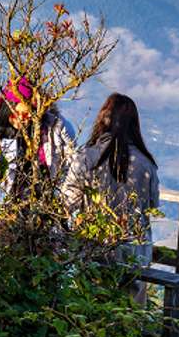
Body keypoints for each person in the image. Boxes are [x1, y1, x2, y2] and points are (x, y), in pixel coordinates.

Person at [64, 93, 160, 303]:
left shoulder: (85, 158)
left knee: (91, 306)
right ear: (134, 125)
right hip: (135, 253)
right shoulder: (146, 164)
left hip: (94, 247)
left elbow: (68, 201)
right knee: (131, 313)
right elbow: (153, 206)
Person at [0, 72, 77, 202]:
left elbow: (73, 163)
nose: (23, 120)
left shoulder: (56, 127)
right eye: (18, 114)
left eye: (28, 115)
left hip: (47, 198)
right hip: (12, 202)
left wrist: (63, 200)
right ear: (7, 109)